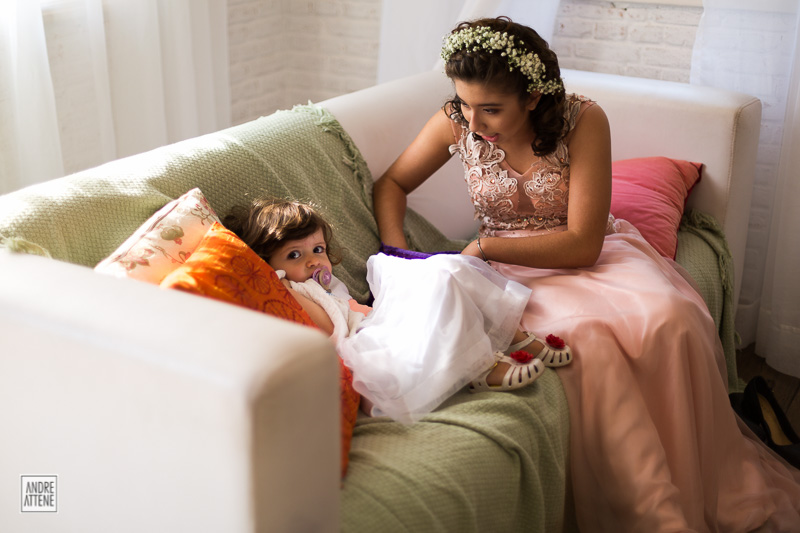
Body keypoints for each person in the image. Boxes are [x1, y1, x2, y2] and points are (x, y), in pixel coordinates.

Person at [372, 15, 800, 532]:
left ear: (532, 97)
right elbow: (392, 182)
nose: (473, 121)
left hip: (580, 253)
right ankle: (649, 511)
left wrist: (484, 246)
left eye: (490, 108)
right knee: (586, 342)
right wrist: (397, 260)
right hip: (508, 270)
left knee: (672, 316)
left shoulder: (583, 120)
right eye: (463, 102)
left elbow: (583, 244)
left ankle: (703, 480)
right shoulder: (457, 123)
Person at [223, 197, 572, 423]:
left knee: (444, 270)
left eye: (318, 248)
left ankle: (512, 334)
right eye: (295, 255)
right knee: (436, 280)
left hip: (376, 327)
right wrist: (279, 281)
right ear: (270, 266)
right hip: (367, 355)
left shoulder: (323, 285)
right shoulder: (291, 291)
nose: (315, 260)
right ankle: (477, 366)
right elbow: (328, 326)